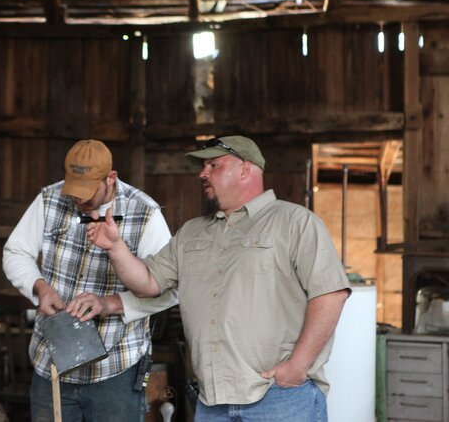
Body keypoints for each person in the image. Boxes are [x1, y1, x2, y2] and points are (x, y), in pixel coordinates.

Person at [88, 136, 351, 422]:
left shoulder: (295, 222)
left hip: (278, 395)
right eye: (203, 167)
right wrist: (115, 247)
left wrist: (297, 367)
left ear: (245, 170)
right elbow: (148, 283)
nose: (203, 173)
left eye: (214, 165)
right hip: (212, 401)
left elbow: (330, 294)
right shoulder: (192, 232)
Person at [3, 139, 178, 422]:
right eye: (73, 191)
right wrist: (39, 287)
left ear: (111, 178)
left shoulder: (145, 212)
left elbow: (170, 290)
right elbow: (16, 252)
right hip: (52, 363)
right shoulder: (49, 199)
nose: (79, 201)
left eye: (87, 193)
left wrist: (110, 303)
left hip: (116, 368)